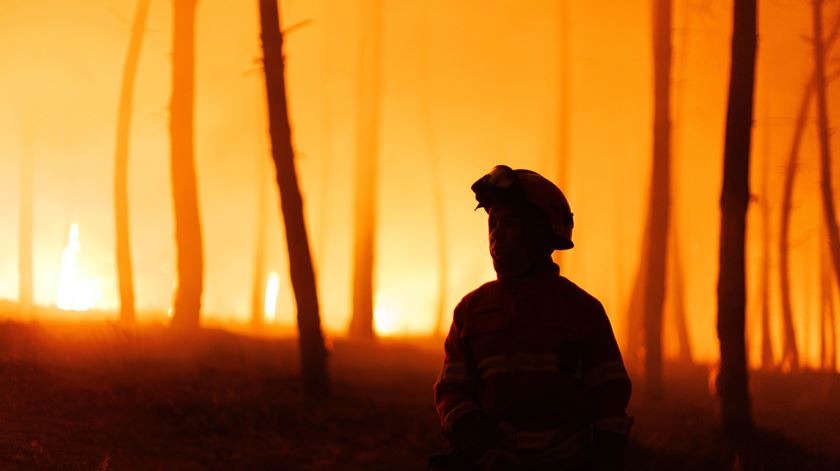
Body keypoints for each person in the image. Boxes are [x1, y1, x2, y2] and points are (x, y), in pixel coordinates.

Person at [430, 165, 632, 471]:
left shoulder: (583, 312)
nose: (496, 231)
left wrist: (605, 459)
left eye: (509, 222)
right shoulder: (470, 312)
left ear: (541, 232)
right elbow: (451, 392)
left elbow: (610, 399)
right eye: (492, 223)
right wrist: (484, 449)